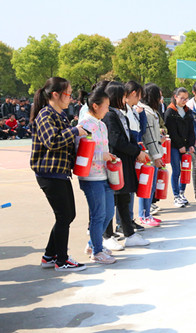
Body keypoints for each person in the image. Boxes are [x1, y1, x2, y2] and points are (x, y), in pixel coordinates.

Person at [31, 77, 88, 271]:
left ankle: (49, 256)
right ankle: (62, 260)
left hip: (60, 172)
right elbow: (52, 141)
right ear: (55, 94)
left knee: (67, 215)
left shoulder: (61, 115)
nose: (70, 98)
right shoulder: (45, 114)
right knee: (64, 216)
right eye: (68, 94)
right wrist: (75, 131)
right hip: (49, 172)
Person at [102, 81, 150, 247]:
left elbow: (127, 136)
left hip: (124, 162)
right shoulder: (109, 115)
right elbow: (116, 140)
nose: (125, 98)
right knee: (111, 201)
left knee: (123, 199)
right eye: (123, 95)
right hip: (115, 163)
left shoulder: (119, 113)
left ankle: (129, 234)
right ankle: (107, 236)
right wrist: (136, 152)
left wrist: (136, 150)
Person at [77, 87, 117, 264]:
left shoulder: (102, 125)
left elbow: (104, 148)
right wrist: (102, 156)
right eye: (106, 106)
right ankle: (97, 252)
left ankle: (93, 243)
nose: (108, 109)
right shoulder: (85, 124)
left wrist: (109, 157)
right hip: (91, 177)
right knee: (98, 214)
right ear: (95, 105)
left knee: (108, 212)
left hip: (104, 174)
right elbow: (82, 152)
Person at [136, 83, 165, 226]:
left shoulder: (150, 111)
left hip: (153, 153)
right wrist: (156, 156)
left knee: (151, 186)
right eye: (159, 95)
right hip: (149, 155)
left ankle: (147, 213)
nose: (161, 99)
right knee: (146, 186)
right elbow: (149, 137)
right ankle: (143, 215)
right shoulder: (146, 112)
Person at [165, 87, 196, 208]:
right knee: (176, 170)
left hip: (186, 146)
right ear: (175, 96)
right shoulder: (170, 112)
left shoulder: (188, 111)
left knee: (186, 169)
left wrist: (191, 145)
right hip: (174, 146)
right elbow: (172, 132)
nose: (184, 100)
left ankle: (182, 193)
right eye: (181, 98)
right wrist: (180, 146)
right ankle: (176, 195)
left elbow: (191, 130)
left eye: (186, 98)